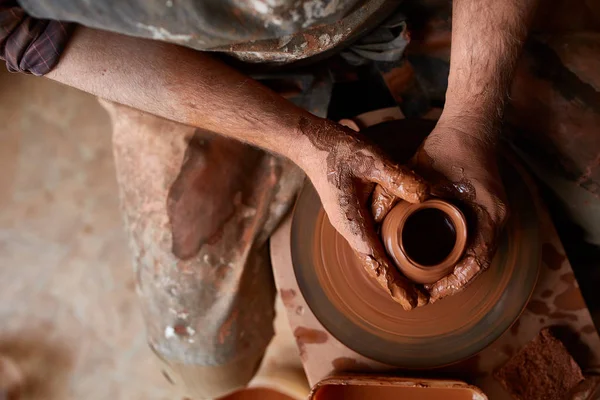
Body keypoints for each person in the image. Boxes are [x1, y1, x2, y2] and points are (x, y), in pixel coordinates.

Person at [0, 0, 539, 398]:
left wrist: (472, 116)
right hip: (193, 66)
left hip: (418, 11)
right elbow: (30, 35)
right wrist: (300, 141)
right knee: (206, 365)